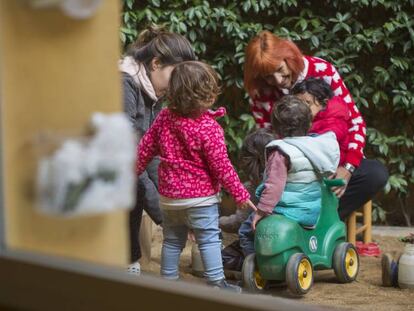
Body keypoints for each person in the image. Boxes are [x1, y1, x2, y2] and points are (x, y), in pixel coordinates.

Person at [136, 61, 256, 292]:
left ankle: (168, 282)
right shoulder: (209, 128)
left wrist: (133, 171)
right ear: (207, 95)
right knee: (209, 239)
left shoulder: (164, 118)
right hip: (200, 199)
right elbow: (222, 166)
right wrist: (240, 194)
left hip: (170, 198)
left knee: (172, 240)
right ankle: (217, 284)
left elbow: (145, 148)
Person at [243, 30, 388, 220]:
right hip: (293, 170)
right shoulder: (261, 93)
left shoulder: (322, 70)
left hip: (334, 161)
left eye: (279, 70)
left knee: (375, 174)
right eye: (268, 77)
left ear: (289, 57)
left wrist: (348, 168)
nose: (277, 81)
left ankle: (322, 221)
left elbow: (355, 123)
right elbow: (268, 142)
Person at [119, 25, 196, 275]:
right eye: (177, 73)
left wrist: (175, 205)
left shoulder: (153, 94)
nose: (179, 83)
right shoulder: (124, 85)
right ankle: (127, 260)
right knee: (134, 186)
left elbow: (151, 156)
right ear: (155, 64)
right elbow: (129, 159)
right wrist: (166, 217)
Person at [238, 96, 340, 256]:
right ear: (309, 124)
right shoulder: (316, 147)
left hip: (286, 210)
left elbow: (274, 186)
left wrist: (261, 211)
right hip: (311, 211)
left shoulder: (280, 152)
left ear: (276, 129)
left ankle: (256, 263)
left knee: (246, 230)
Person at [292, 77, 349, 166]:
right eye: (298, 104)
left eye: (307, 103)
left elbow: (320, 149)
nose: (301, 108)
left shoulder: (335, 122)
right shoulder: (307, 119)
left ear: (324, 104)